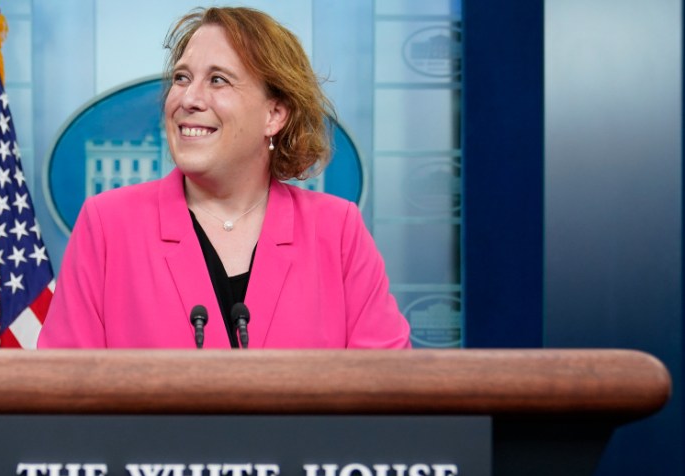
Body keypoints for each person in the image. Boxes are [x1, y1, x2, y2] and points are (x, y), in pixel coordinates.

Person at [38, 6, 410, 349]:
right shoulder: (107, 225)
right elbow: (61, 390)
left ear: (274, 115)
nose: (188, 99)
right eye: (182, 78)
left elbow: (389, 389)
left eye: (218, 80)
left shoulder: (337, 230)